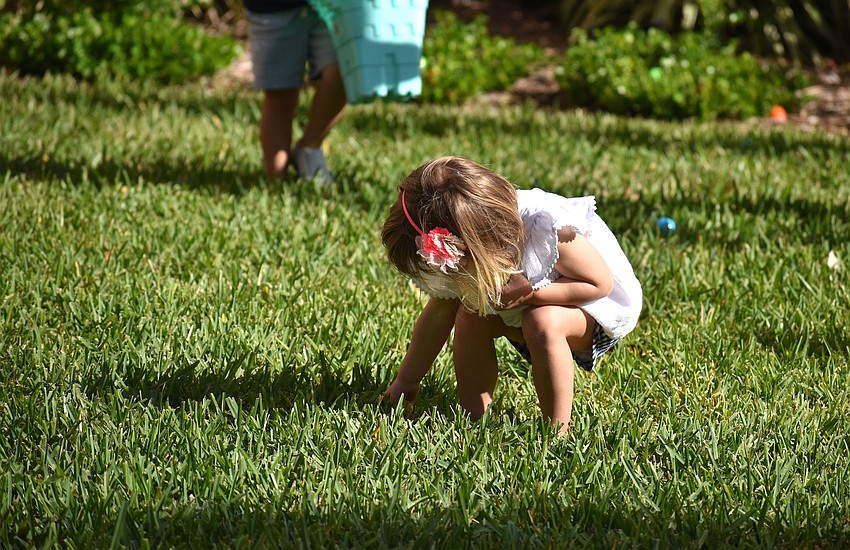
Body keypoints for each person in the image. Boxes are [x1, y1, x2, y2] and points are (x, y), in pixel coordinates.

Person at [381, 156, 643, 434]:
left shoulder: (546, 229)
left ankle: (556, 432)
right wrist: (405, 382)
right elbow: (436, 316)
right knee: (469, 316)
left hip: (593, 307)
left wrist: (532, 296)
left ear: (472, 248)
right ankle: (473, 420)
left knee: (541, 321)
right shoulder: (472, 242)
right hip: (522, 302)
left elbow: (599, 284)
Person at [244, 0, 347, 183]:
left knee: (346, 72)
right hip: (274, 9)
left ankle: (309, 147)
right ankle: (276, 179)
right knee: (280, 93)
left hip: (335, 7)